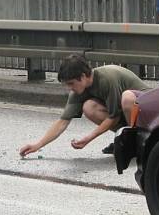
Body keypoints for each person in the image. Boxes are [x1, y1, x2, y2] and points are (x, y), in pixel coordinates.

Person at [18, 55, 149, 157]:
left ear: (83, 76)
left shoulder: (107, 79)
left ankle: (138, 142)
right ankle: (128, 141)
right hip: (125, 117)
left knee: (127, 98)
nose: (70, 88)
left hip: (148, 112)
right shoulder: (79, 90)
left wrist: (88, 138)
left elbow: (114, 117)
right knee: (89, 107)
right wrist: (38, 145)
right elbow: (62, 121)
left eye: (71, 83)